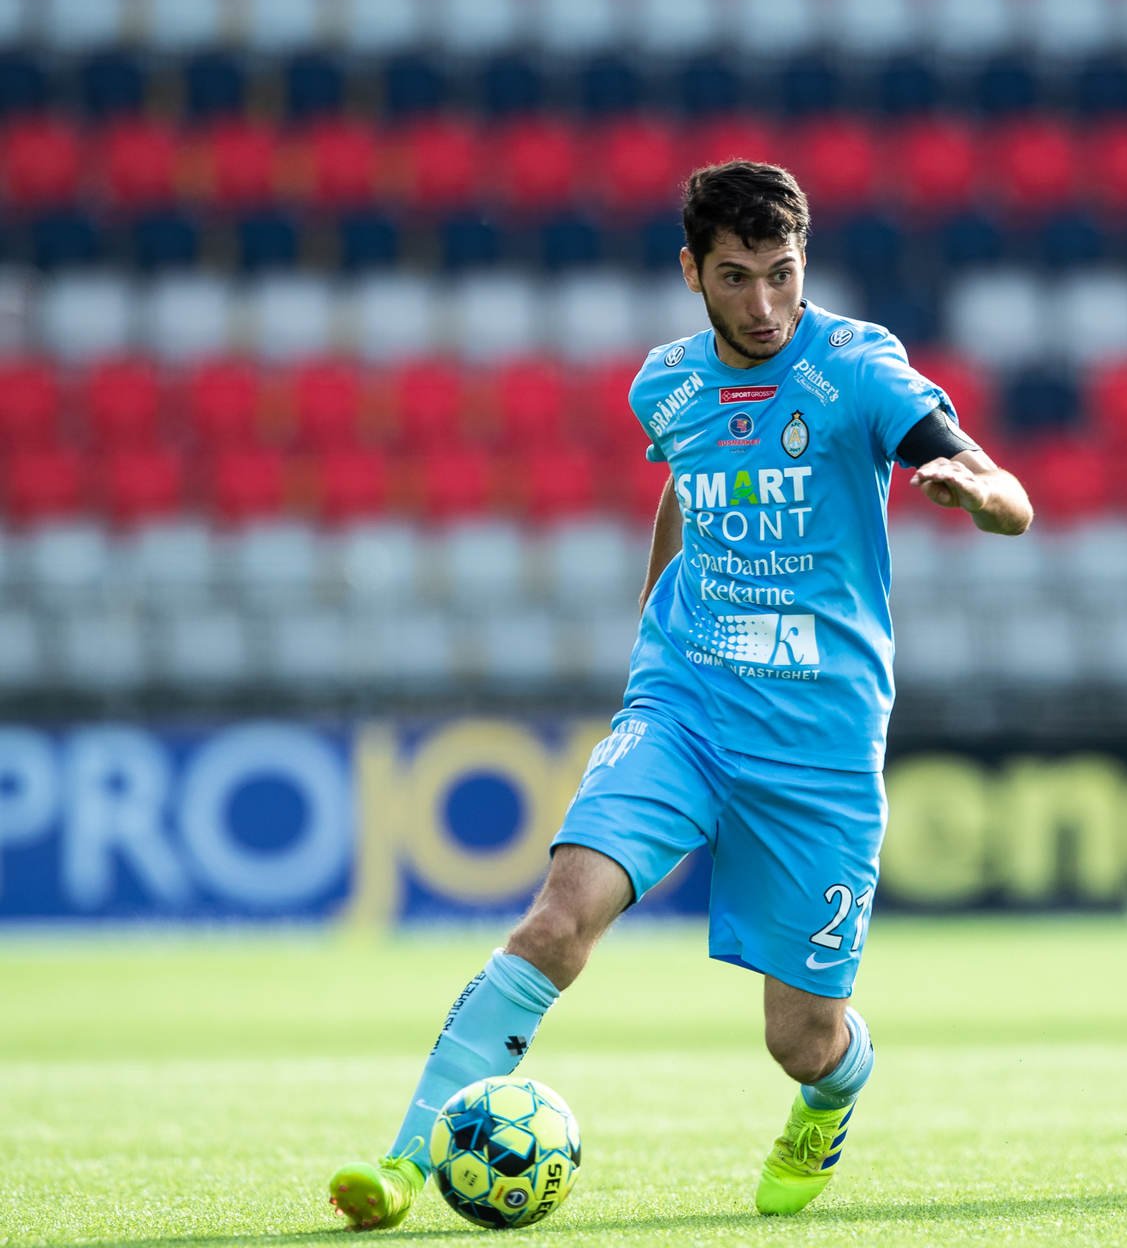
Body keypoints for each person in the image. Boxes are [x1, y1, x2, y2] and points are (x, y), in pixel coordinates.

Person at [327, 161, 1033, 1228]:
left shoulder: (860, 368)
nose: (763, 307)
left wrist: (975, 493)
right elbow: (685, 485)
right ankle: (400, 1163)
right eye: (737, 278)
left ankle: (833, 1095)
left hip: (821, 744)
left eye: (783, 276)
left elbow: (1011, 496)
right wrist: (654, 624)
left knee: (801, 1039)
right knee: (560, 920)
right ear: (690, 271)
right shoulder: (667, 383)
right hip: (685, 706)